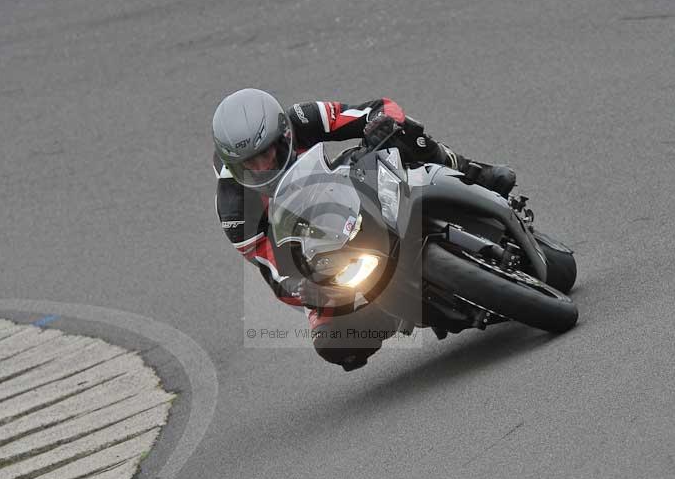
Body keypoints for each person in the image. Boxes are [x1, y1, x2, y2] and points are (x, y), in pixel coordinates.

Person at [213, 88, 516, 371]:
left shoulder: (303, 117)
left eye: (267, 153)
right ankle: (397, 309)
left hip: (345, 189)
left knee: (404, 132)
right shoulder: (235, 211)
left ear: (284, 135)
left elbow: (380, 108)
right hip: (313, 250)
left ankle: (474, 173)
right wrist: (306, 289)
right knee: (334, 344)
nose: (263, 166)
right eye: (249, 164)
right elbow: (277, 272)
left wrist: (380, 125)